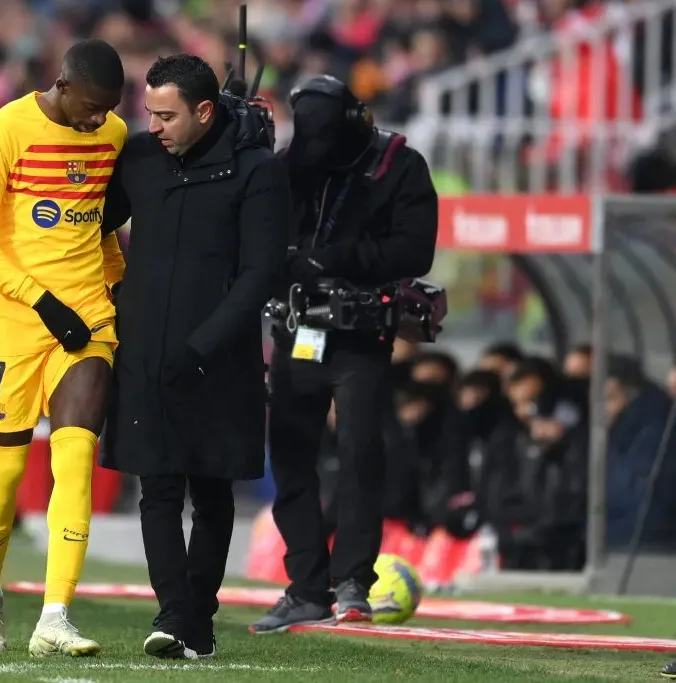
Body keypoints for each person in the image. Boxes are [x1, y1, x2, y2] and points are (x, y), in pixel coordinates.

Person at [99, 54, 290, 659]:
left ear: (205, 111)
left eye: (166, 115)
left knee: (210, 492)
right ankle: (173, 614)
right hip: (143, 351)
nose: (153, 126)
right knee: (155, 487)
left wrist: (204, 345)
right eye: (148, 113)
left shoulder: (256, 171)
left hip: (219, 356)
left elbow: (261, 273)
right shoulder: (139, 157)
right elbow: (92, 222)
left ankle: (197, 619)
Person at [0, 39, 128, 658]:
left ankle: (55, 615)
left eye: (109, 108)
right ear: (61, 85)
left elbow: (101, 221)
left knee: (76, 456)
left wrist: (114, 283)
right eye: (90, 107)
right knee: (3, 468)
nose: (97, 120)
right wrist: (40, 301)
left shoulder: (112, 134)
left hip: (86, 321)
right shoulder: (3, 131)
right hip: (13, 325)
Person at [250, 75, 438, 633]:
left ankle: (353, 581)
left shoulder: (399, 165)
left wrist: (332, 258)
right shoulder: (290, 166)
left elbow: (415, 249)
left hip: (360, 331)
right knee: (290, 454)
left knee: (360, 453)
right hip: (297, 327)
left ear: (356, 121)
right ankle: (307, 585)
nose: (319, 150)